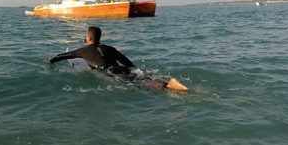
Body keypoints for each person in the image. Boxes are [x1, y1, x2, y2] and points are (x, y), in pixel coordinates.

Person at [49, 26, 188, 91]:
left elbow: (62, 56)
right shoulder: (110, 48)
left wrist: (50, 61)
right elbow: (127, 62)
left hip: (111, 72)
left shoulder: (82, 51)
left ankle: (166, 87)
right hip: (123, 68)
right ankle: (166, 82)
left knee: (138, 85)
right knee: (140, 77)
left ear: (89, 38)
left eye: (86, 36)